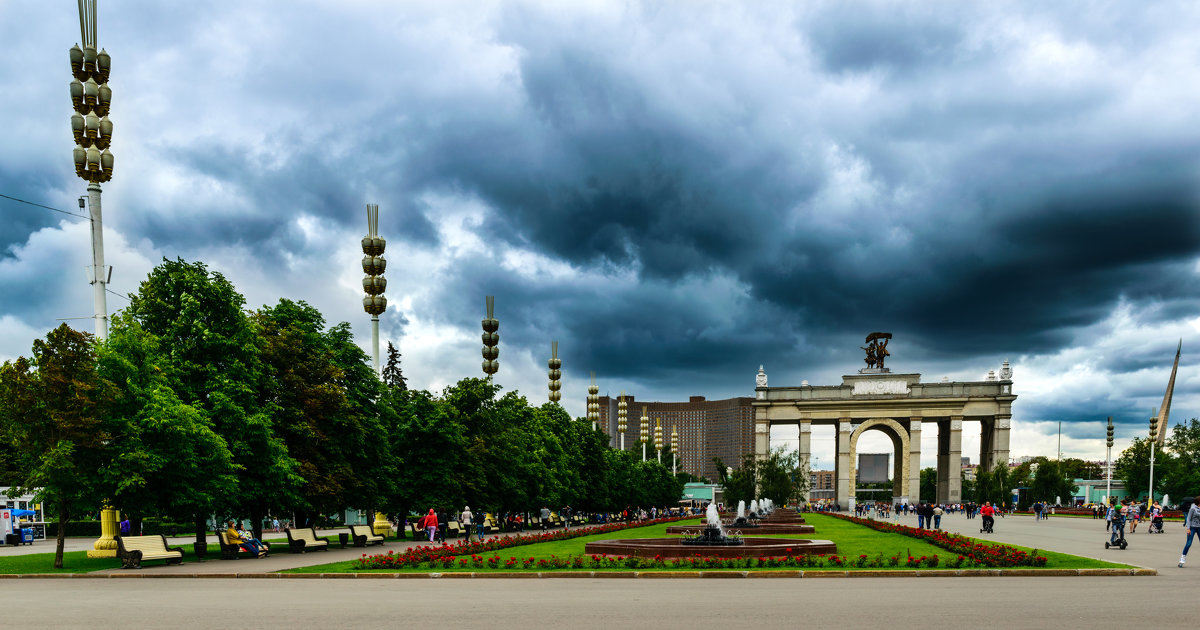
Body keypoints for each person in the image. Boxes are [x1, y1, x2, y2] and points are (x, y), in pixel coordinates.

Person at [1180, 498, 1200, 567]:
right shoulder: (1193, 508)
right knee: (1189, 543)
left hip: (1199, 527)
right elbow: (1188, 518)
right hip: (1192, 527)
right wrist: (1188, 528)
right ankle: (1182, 559)